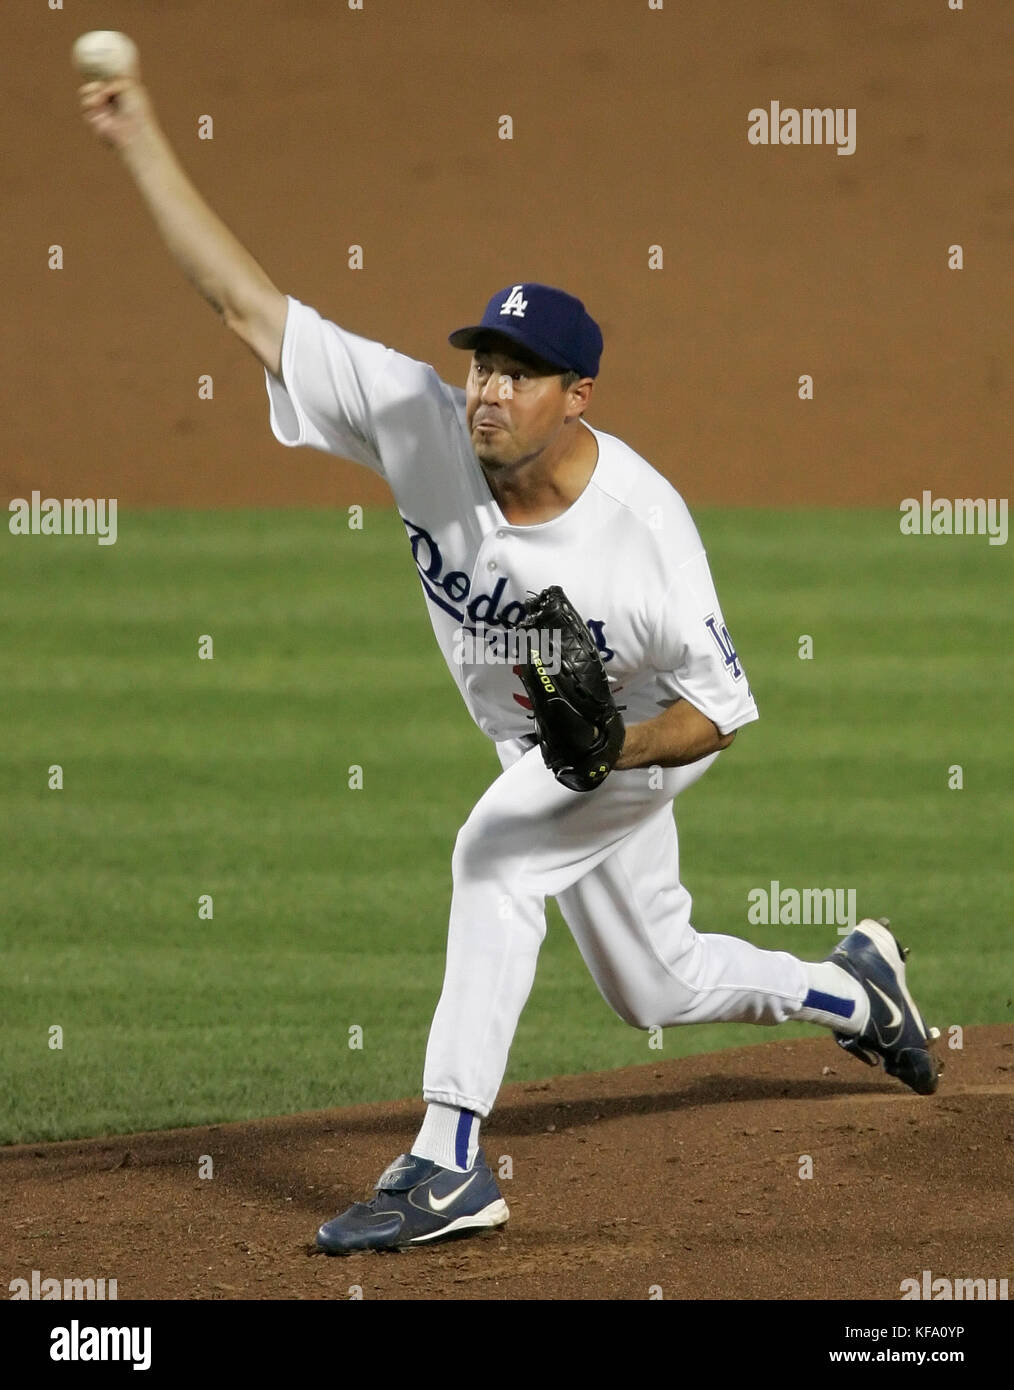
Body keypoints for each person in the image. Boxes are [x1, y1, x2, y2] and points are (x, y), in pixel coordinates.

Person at [80, 72, 941, 1258]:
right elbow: (245, 304)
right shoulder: (418, 421)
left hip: (634, 737)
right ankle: (855, 987)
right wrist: (139, 141)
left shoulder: (644, 541)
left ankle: (447, 1160)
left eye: (518, 373)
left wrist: (610, 752)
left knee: (493, 854)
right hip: (551, 736)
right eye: (482, 362)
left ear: (576, 396)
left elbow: (722, 711)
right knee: (654, 981)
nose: (486, 390)